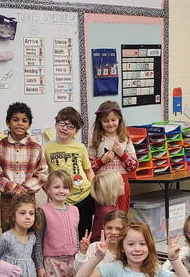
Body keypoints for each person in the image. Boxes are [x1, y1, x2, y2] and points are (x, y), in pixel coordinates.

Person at [0, 102, 48, 230]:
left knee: (29, 231)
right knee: (8, 231)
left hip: (29, 197)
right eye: (15, 120)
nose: (20, 123)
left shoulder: (37, 147)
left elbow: (42, 174)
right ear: (8, 122)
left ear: (29, 125)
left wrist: (23, 189)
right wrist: (15, 189)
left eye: (24, 120)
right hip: (7, 199)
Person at [45, 107, 95, 235]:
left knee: (83, 234)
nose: (65, 128)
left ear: (76, 131)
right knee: (63, 233)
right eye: (62, 123)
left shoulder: (80, 148)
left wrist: (95, 189)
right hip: (62, 199)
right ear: (56, 124)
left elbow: (88, 171)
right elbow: (45, 175)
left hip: (84, 196)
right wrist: (50, 193)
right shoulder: (47, 149)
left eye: (70, 126)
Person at [74, 210, 130, 277]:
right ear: (103, 228)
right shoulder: (95, 247)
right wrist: (83, 252)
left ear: (126, 230)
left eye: (118, 229)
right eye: (109, 228)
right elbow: (79, 272)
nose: (113, 232)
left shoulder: (129, 249)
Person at [35, 171, 80, 277]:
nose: (61, 191)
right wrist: (40, 267)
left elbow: (76, 233)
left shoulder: (74, 210)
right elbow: (38, 241)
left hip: (71, 260)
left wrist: (78, 254)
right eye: (56, 187)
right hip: (52, 262)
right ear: (48, 189)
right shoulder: (43, 210)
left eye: (65, 187)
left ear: (70, 190)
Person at [88, 101, 137, 212]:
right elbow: (88, 167)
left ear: (119, 120)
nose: (110, 124)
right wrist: (102, 161)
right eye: (106, 121)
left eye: (113, 120)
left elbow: (133, 166)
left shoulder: (125, 140)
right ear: (100, 122)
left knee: (120, 214)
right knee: (103, 213)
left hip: (121, 184)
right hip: (103, 185)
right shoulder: (95, 141)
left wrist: (122, 154)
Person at [88, 170, 124, 243]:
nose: (124, 184)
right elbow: (96, 237)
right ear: (113, 189)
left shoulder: (113, 203)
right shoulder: (104, 212)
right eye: (121, 183)